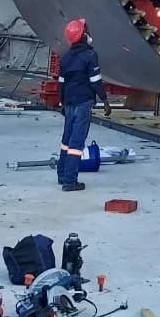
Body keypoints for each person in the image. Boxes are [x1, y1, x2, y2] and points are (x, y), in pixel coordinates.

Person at [56, 19, 110, 192]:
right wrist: (105, 100)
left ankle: (62, 174)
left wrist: (62, 103)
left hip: (69, 103)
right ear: (83, 36)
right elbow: (95, 81)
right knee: (76, 143)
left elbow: (62, 83)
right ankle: (70, 181)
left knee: (66, 140)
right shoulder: (89, 55)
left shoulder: (65, 57)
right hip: (83, 102)